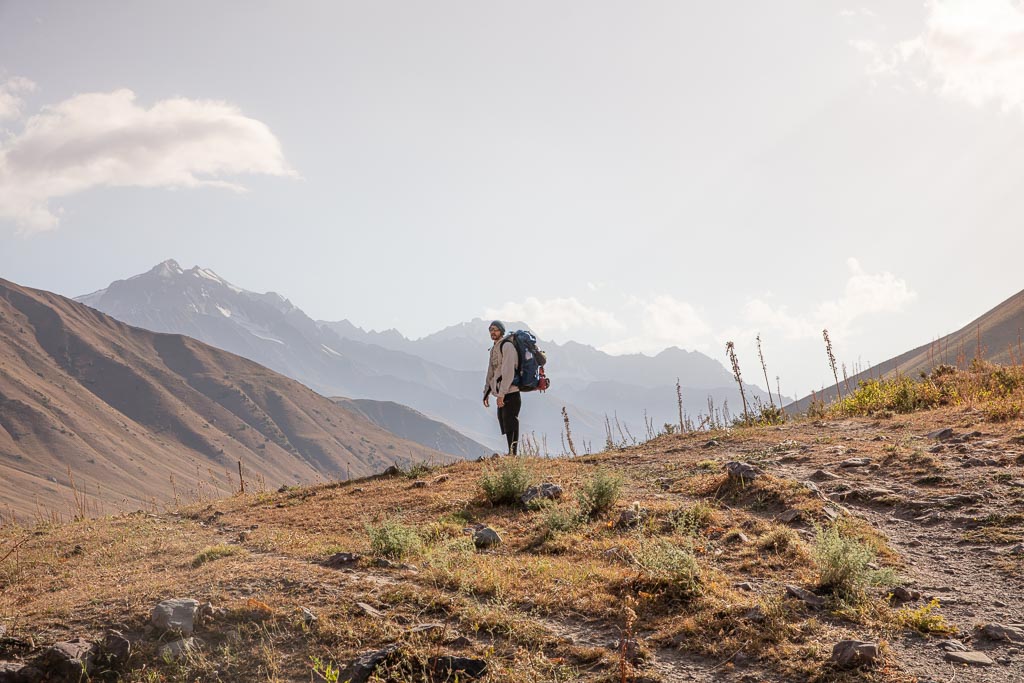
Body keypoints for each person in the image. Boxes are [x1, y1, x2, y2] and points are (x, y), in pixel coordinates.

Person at [482, 320, 521, 455]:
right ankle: (511, 453)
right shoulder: (494, 348)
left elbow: (508, 371)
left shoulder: (507, 346)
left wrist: (502, 394)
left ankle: (513, 454)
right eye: (490, 329)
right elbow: (491, 372)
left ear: (502, 331)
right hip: (502, 392)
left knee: (511, 422)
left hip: (511, 391)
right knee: (504, 422)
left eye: (495, 329)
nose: (492, 332)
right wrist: (486, 393)